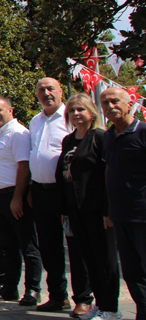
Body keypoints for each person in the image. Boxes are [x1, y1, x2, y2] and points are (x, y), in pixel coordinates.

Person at [58, 92, 121, 320]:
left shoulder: (101, 137)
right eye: (72, 110)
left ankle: (111, 308)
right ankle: (100, 304)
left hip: (97, 209)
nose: (76, 114)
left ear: (91, 112)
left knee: (105, 260)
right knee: (88, 259)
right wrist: (64, 209)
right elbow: (63, 177)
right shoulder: (68, 140)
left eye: (81, 109)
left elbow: (108, 176)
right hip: (75, 210)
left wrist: (108, 209)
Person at [29, 77, 78, 313]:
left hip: (65, 190)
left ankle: (83, 297)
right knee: (49, 246)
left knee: (75, 245)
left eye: (51, 89)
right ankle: (58, 295)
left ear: (61, 92)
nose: (46, 93)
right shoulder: (35, 121)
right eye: (41, 90)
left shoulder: (71, 118)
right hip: (40, 190)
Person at [0, 96, 42, 305]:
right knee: (7, 247)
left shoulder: (18, 133)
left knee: (28, 246)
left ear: (10, 110)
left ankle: (33, 289)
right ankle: (9, 288)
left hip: (14, 196)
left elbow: (23, 166)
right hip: (0, 197)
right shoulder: (0, 134)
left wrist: (18, 197)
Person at [102, 87, 144, 320]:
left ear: (131, 103)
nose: (110, 107)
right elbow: (109, 171)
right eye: (105, 103)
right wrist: (109, 208)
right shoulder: (108, 135)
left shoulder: (143, 131)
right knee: (132, 273)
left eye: (115, 101)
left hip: (142, 214)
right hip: (120, 214)